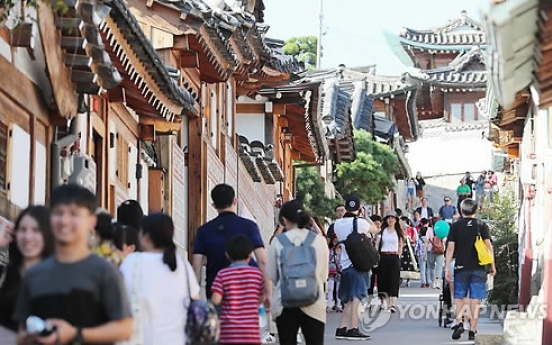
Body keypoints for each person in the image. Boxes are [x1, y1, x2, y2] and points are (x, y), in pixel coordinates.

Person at [13, 184, 133, 345]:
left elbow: (125, 327)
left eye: (74, 214)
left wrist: (75, 334)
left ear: (92, 221)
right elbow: (21, 331)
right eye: (59, 213)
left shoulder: (105, 272)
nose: (64, 221)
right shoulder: (34, 274)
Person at [120, 212, 200, 345]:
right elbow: (196, 300)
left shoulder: (133, 262)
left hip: (141, 340)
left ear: (146, 237)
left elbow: (119, 299)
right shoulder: (183, 265)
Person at [193, 184, 270, 308]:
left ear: (214, 205)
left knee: (219, 326)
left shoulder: (204, 230)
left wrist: (195, 298)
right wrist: (268, 292)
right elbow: (262, 260)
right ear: (235, 201)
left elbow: (196, 266)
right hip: (248, 291)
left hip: (216, 292)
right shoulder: (250, 227)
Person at [266, 200, 328, 345]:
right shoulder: (319, 241)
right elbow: (324, 275)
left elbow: (272, 275)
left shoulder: (278, 242)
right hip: (314, 300)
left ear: (284, 219)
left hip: (285, 302)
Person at [445, 198, 496, 341]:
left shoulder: (455, 226)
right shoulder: (481, 225)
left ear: (461, 210)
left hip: (461, 267)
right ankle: (472, 330)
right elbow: (488, 246)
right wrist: (492, 265)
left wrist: (447, 267)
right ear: (475, 210)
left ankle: (460, 321)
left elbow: (450, 248)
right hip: (478, 267)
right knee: (476, 300)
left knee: (459, 297)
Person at [0, 206, 54, 333]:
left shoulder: (59, 277)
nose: (28, 237)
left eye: (36, 231)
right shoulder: (6, 274)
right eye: (23, 230)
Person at [333, 196, 378, 340]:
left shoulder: (337, 224)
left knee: (349, 300)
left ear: (345, 208)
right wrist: (365, 215)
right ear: (359, 208)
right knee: (358, 297)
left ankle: (342, 328)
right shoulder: (360, 222)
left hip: (344, 265)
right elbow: (375, 229)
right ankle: (353, 328)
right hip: (358, 265)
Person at [212, 235, 264, 344]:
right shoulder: (257, 274)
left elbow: (215, 300)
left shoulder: (223, 274)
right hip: (251, 333)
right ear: (250, 255)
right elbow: (261, 298)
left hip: (229, 333)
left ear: (227, 255)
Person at [375, 211, 406, 313]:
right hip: (383, 256)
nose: (390, 220)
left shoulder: (398, 232)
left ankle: (393, 304)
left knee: (394, 280)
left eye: (393, 218)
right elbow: (377, 244)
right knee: (383, 280)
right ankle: (384, 302)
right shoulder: (382, 231)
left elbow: (401, 245)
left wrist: (398, 255)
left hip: (394, 256)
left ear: (396, 220)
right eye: (388, 218)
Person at [366, 215, 383, 310]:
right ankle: (369, 301)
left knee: (381, 280)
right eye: (375, 224)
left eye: (378, 225)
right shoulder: (367, 233)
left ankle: (382, 301)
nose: (377, 227)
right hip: (370, 260)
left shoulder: (383, 233)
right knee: (370, 280)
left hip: (381, 259)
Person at [426, 218, 445, 289]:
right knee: (439, 266)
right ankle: (438, 282)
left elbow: (426, 240)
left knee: (431, 267)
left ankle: (433, 282)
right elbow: (444, 240)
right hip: (440, 250)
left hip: (430, 250)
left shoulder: (429, 230)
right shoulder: (441, 229)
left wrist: (424, 252)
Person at [326, 236, 342, 313]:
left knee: (338, 289)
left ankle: (338, 305)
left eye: (337, 241)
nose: (336, 243)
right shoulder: (329, 251)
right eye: (334, 241)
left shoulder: (343, 252)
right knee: (330, 288)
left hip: (340, 271)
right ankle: (329, 305)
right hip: (331, 271)